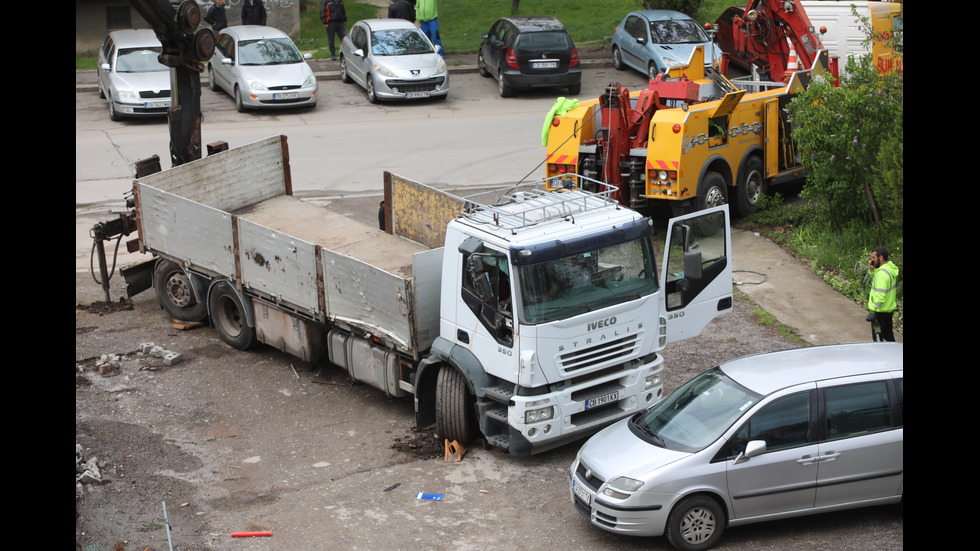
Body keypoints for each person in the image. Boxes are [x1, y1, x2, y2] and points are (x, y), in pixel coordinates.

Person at [865, 246, 899, 342]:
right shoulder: (889, 270)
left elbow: (881, 294)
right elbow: (878, 281)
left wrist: (873, 311)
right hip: (888, 311)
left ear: (881, 258)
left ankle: (880, 356)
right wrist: (872, 270)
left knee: (878, 340)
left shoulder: (882, 274)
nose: (871, 260)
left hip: (879, 313)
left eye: (873, 258)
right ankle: (895, 355)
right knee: (889, 337)